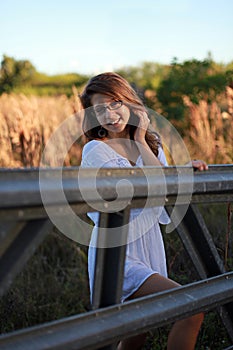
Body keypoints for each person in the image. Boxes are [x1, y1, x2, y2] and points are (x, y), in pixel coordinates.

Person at [79, 72, 207, 350]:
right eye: (99, 109)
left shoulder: (151, 144)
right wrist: (169, 173)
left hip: (148, 244)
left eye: (115, 103)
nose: (110, 114)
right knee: (192, 309)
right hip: (117, 248)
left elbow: (163, 186)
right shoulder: (95, 150)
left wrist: (144, 141)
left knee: (138, 333)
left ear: (129, 102)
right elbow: (152, 181)